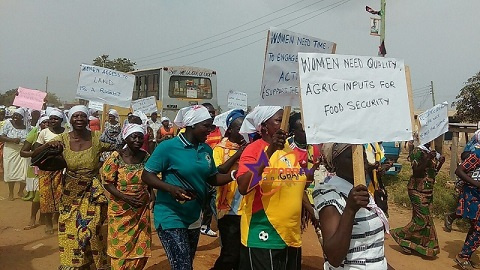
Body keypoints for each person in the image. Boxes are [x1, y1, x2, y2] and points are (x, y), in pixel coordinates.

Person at [142, 105, 235, 270]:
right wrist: (171, 189)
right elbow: (147, 175)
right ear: (192, 126)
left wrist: (235, 176)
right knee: (183, 266)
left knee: (185, 264)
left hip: (193, 216)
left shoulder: (205, 149)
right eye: (206, 126)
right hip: (170, 215)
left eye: (212, 126)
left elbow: (212, 178)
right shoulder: (168, 147)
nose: (210, 130)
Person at [32, 105, 112, 269]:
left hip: (92, 191)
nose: (79, 119)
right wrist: (48, 147)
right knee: (69, 228)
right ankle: (73, 264)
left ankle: (94, 263)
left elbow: (120, 147)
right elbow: (34, 155)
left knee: (93, 228)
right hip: (71, 192)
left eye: (83, 116)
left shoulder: (97, 137)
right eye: (75, 116)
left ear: (87, 118)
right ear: (70, 119)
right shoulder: (62, 139)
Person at [235, 106, 314, 270]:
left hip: (290, 234)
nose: (284, 126)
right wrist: (270, 151)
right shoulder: (254, 149)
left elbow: (296, 184)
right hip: (263, 233)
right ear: (264, 126)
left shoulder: (289, 151)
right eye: (278, 120)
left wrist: (312, 211)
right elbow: (243, 186)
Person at [313, 143, 389, 269]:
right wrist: (350, 210)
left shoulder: (362, 192)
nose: (361, 162)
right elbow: (334, 257)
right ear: (335, 163)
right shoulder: (330, 194)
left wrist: (380, 209)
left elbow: (373, 253)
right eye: (352, 157)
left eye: (363, 156)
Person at [102, 124, 152, 270]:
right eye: (134, 137)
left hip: (140, 208)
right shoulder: (116, 157)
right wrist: (126, 198)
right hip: (120, 208)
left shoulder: (146, 157)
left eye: (140, 137)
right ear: (126, 137)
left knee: (139, 244)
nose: (137, 140)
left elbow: (150, 177)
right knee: (120, 244)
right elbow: (108, 183)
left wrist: (151, 195)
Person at [391, 143, 444, 257]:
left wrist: (440, 163)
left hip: (428, 190)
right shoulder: (417, 152)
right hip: (417, 190)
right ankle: (399, 234)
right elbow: (416, 171)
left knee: (427, 220)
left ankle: (418, 246)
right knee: (422, 219)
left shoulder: (430, 152)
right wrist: (428, 158)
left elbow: (433, 173)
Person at [212, 109, 246, 270]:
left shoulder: (249, 147)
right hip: (228, 208)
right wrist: (238, 154)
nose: (242, 132)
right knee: (230, 253)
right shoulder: (220, 149)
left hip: (246, 207)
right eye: (239, 128)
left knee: (242, 252)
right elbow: (218, 171)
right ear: (230, 130)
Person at [33, 108, 66, 234]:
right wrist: (47, 146)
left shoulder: (66, 133)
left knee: (60, 196)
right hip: (45, 170)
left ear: (61, 120)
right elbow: (35, 150)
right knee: (45, 197)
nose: (53, 121)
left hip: (61, 169)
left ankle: (56, 220)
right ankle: (48, 223)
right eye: (51, 118)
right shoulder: (43, 133)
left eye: (56, 119)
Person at [21, 115, 50, 230]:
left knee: (49, 195)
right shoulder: (34, 135)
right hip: (37, 169)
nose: (46, 125)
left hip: (53, 168)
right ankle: (32, 217)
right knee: (38, 195)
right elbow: (23, 152)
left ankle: (43, 217)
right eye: (44, 122)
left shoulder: (57, 135)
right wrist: (38, 152)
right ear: (40, 124)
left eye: (48, 122)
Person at [454, 147, 480, 269]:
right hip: (473, 195)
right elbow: (459, 171)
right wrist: (477, 184)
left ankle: (466, 256)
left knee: (475, 227)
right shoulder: (477, 155)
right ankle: (463, 256)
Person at [0, 108, 31, 200]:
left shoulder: (27, 126)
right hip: (10, 150)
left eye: (18, 115)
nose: (15, 117)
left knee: (24, 171)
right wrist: (12, 140)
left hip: (23, 150)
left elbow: (30, 137)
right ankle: (11, 193)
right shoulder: (7, 123)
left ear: (22, 117)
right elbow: (1, 136)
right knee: (10, 170)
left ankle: (20, 191)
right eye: (14, 115)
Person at [200, 102, 221, 237]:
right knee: (203, 201)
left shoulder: (219, 129)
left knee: (213, 201)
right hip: (202, 171)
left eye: (213, 113)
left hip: (216, 169)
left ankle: (206, 225)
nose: (212, 115)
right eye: (209, 113)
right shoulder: (198, 130)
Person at [445, 151, 472, 232]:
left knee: (468, 211)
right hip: (465, 192)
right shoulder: (463, 170)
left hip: (473, 191)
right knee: (464, 211)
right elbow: (458, 184)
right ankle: (450, 217)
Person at [21, 109, 41, 200]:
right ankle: (31, 194)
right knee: (32, 176)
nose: (46, 125)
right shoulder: (34, 132)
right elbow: (24, 150)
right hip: (33, 158)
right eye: (43, 123)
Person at [0, 107, 7, 181]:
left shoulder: (6, 122)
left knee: (2, 157)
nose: (1, 115)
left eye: (2, 114)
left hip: (3, 143)